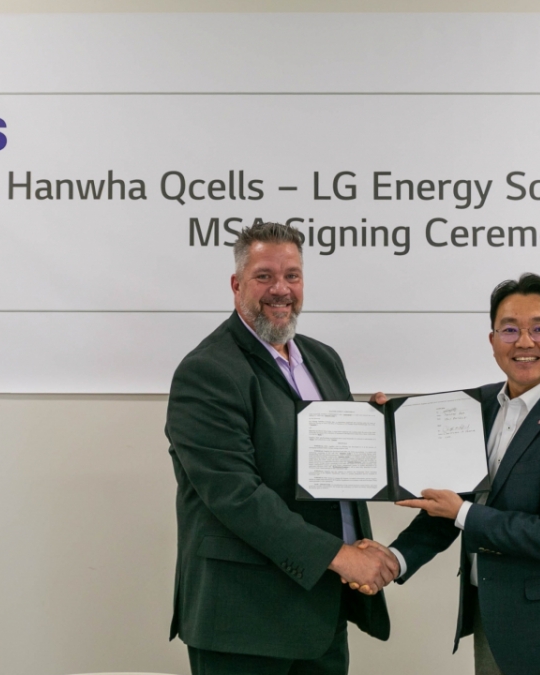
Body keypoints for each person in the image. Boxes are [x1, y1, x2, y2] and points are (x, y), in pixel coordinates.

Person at [166, 221, 399, 675]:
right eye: (264, 276)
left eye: (292, 275)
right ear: (236, 285)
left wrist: (380, 431)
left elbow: (328, 462)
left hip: (322, 611)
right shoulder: (207, 370)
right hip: (244, 622)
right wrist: (343, 557)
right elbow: (237, 496)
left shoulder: (323, 359)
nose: (281, 289)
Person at [378, 273, 540, 675]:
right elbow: (450, 506)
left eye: (539, 328)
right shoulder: (477, 407)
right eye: (509, 330)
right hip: (491, 619)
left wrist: (461, 512)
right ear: (492, 341)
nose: (524, 342)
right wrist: (394, 559)